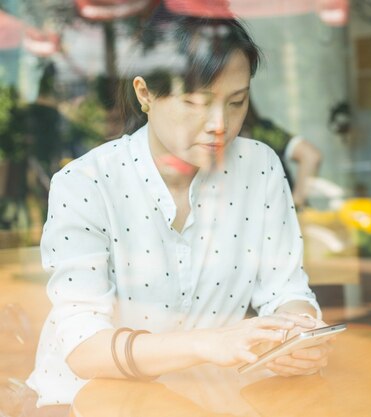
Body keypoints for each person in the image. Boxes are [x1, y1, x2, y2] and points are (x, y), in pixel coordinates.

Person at [26, 12, 330, 412]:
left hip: (204, 399)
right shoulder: (86, 183)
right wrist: (210, 344)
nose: (219, 125)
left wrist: (300, 334)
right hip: (82, 403)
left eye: (236, 102)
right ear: (145, 93)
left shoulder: (260, 168)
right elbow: (84, 349)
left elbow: (286, 291)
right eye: (195, 102)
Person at [240, 103, 322, 209]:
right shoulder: (263, 130)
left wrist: (295, 207)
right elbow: (311, 156)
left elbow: (311, 156)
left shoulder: (261, 131)